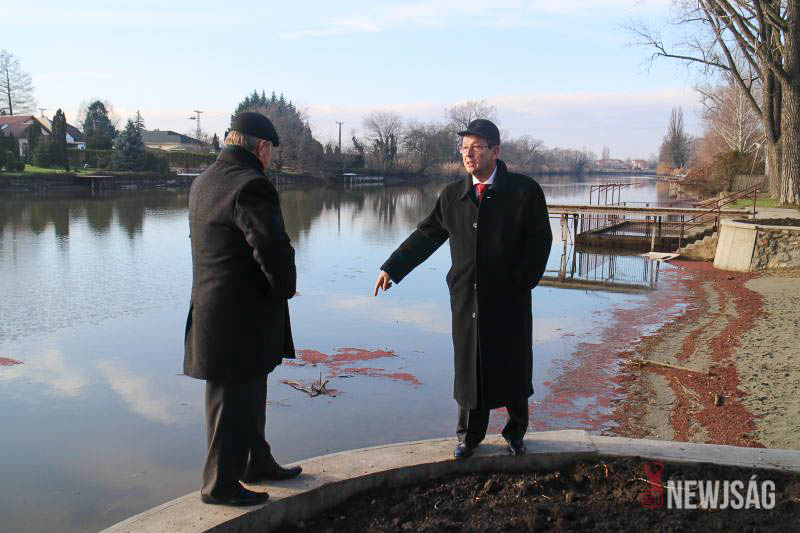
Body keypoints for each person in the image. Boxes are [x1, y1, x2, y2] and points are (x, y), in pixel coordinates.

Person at [374, 119, 552, 459]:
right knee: (471, 365)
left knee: (513, 362)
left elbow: (540, 242)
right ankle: (469, 437)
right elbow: (426, 236)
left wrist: (521, 282)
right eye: (464, 148)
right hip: (466, 297)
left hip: (510, 297)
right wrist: (392, 267)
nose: (468, 154)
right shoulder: (453, 195)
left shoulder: (524, 191)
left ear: (495, 151)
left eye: (477, 148)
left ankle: (515, 433)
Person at [184, 112, 301, 506]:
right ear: (262, 147)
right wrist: (286, 287)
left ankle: (257, 462)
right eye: (272, 151)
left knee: (247, 391)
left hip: (214, 308)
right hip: (242, 313)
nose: (271, 159)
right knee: (232, 400)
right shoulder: (251, 185)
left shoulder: (205, 180)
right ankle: (219, 485)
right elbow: (271, 246)